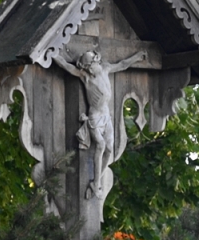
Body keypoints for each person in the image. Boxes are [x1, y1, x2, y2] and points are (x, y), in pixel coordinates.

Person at [54, 49, 147, 198]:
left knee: (109, 149)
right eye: (87, 67)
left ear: (96, 62)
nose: (91, 69)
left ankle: (96, 181)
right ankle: (96, 183)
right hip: (95, 116)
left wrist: (136, 57)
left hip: (106, 115)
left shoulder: (106, 68)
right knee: (101, 145)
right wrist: (53, 54)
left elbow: (122, 64)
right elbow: (66, 66)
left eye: (92, 65)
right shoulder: (85, 77)